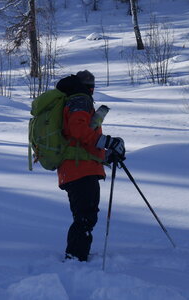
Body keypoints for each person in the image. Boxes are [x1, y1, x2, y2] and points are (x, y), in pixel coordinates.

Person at [56, 70, 125, 262]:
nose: (93, 91)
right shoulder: (80, 100)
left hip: (75, 168)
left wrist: (106, 154)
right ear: (89, 87)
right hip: (80, 169)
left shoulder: (73, 100)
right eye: (92, 86)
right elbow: (79, 132)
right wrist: (108, 142)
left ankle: (77, 256)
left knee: (85, 215)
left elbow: (80, 139)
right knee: (85, 217)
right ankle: (76, 258)